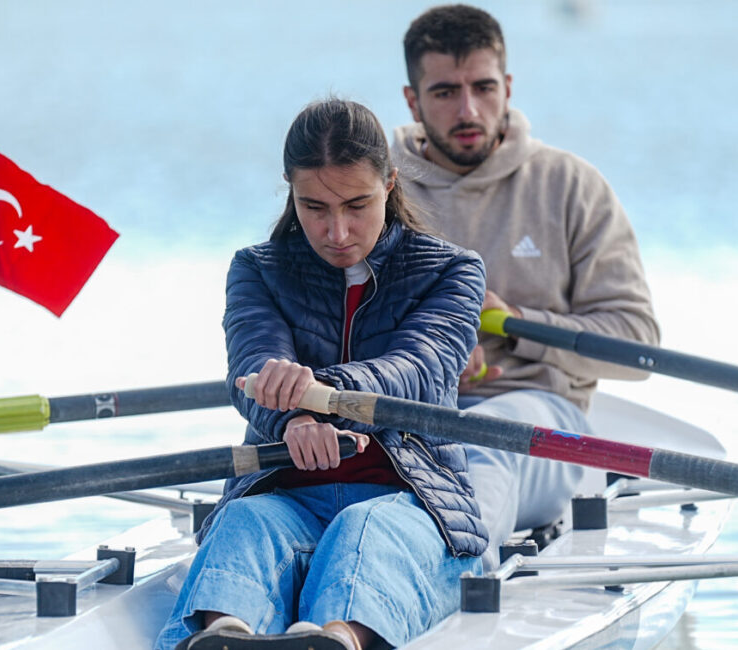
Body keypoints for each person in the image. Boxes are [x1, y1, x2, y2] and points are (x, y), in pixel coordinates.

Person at [155, 98, 488, 650]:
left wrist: (319, 398)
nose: (336, 231)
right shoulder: (257, 269)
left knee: (364, 533)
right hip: (287, 496)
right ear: (290, 190)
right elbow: (253, 365)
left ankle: (339, 640)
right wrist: (291, 417)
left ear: (390, 183)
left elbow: (420, 369)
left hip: (413, 501)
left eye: (357, 205)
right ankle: (222, 636)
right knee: (245, 524)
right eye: (313, 207)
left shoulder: (452, 270)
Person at [393, 5, 661, 571]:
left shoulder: (570, 186)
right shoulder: (375, 190)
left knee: (483, 444)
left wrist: (515, 327)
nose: (468, 110)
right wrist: (422, 358)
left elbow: (638, 345)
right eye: (444, 92)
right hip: (402, 414)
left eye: (483, 88)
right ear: (412, 101)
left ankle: (449, 580)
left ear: (508, 87)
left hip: (543, 420)